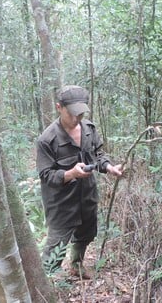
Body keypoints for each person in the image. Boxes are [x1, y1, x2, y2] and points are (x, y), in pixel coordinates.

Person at [36, 85, 122, 279]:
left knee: (86, 233)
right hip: (61, 202)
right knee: (57, 243)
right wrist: (71, 174)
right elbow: (46, 175)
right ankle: (48, 281)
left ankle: (77, 264)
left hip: (87, 195)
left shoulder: (89, 129)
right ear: (59, 107)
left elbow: (98, 154)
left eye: (81, 114)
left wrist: (109, 167)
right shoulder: (47, 140)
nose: (76, 119)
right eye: (72, 114)